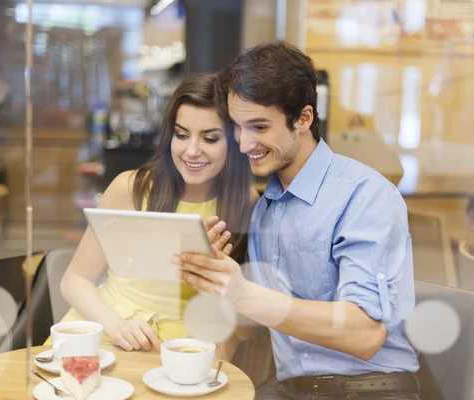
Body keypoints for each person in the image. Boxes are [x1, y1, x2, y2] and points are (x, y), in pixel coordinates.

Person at [174, 42, 421, 399]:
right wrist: (215, 278)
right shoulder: (265, 209)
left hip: (370, 388)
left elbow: (365, 335)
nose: (244, 144)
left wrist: (245, 292)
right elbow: (248, 330)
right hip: (292, 390)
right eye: (238, 128)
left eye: (259, 127)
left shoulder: (364, 196)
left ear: (303, 118)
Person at [58, 74, 257, 360]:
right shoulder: (132, 188)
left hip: (187, 346)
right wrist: (117, 326)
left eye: (210, 138)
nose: (191, 150)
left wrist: (217, 279)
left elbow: (246, 331)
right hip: (110, 327)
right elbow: (74, 279)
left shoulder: (245, 202)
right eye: (181, 134)